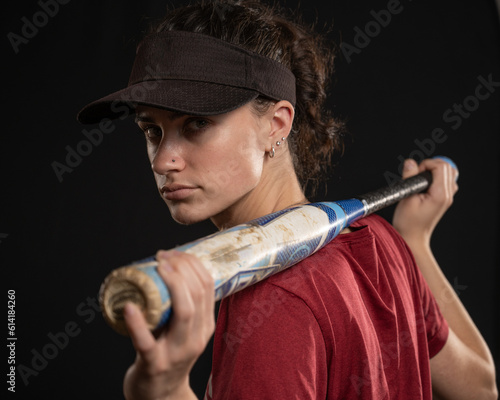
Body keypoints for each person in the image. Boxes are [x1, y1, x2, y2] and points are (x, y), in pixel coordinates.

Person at [77, 1, 497, 399]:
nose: (164, 159)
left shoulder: (272, 304)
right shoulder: (384, 242)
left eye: (197, 124)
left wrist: (163, 391)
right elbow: (480, 386)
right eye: (152, 131)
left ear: (276, 124)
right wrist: (415, 244)